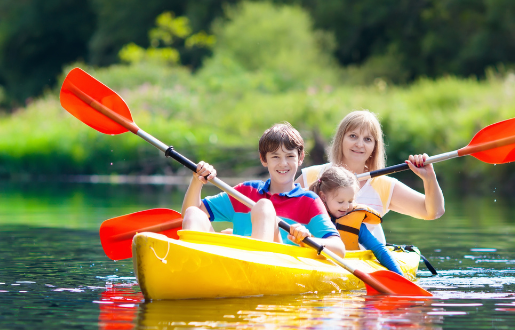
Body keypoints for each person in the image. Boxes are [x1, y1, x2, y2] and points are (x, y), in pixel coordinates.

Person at [181, 122, 346, 257]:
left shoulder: (309, 201)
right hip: (233, 264)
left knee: (264, 207)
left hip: (274, 266)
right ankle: (193, 267)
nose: (283, 164)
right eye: (275, 157)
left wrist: (307, 239)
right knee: (194, 213)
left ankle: (253, 265)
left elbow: (339, 248)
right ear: (263, 159)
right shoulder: (246, 191)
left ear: (300, 158)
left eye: (290, 156)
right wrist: (197, 181)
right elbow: (190, 214)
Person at [296, 110, 445, 244]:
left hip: (366, 262)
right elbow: (279, 205)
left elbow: (433, 211)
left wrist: (429, 178)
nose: (360, 144)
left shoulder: (384, 185)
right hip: (317, 255)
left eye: (368, 139)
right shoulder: (312, 176)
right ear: (341, 139)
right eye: (353, 136)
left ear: (375, 147)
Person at [309, 165, 405, 275]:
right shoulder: (309, 216)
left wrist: (399, 275)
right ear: (323, 196)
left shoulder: (355, 224)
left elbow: (378, 249)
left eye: (350, 201)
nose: (346, 207)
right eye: (340, 202)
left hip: (344, 270)